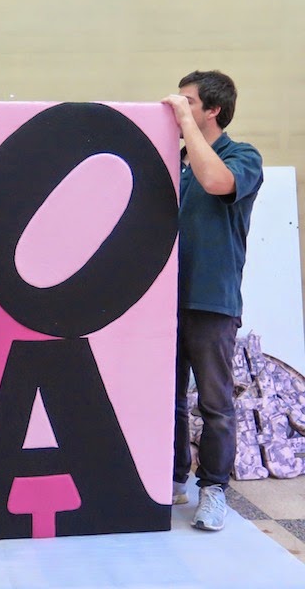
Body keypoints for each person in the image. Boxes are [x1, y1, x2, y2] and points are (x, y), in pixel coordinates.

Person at [162, 71, 263, 531]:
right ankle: (173, 477)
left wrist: (185, 127)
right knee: (167, 399)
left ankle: (214, 489)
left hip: (212, 301)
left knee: (215, 403)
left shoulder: (242, 157)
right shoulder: (176, 162)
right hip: (164, 301)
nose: (177, 107)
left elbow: (217, 182)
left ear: (213, 110)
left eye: (188, 102)